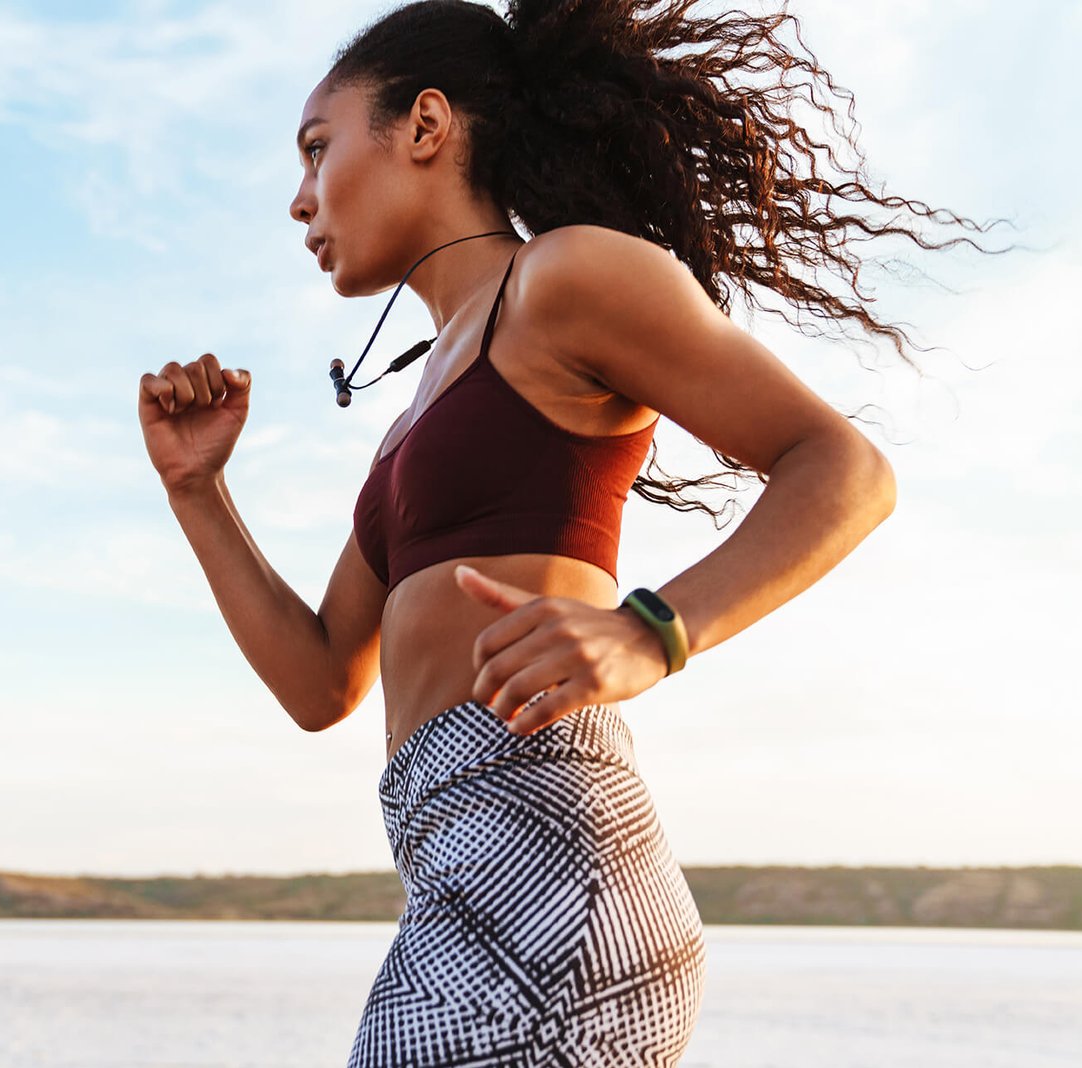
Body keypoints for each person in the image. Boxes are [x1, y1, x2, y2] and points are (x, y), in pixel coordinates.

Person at [137, 2, 999, 1063]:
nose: (298, 198)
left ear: (425, 126)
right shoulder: (412, 420)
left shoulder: (564, 278)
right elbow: (321, 684)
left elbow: (844, 469)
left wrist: (651, 631)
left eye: (319, 149)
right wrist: (197, 491)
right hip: (451, 869)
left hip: (549, 862)